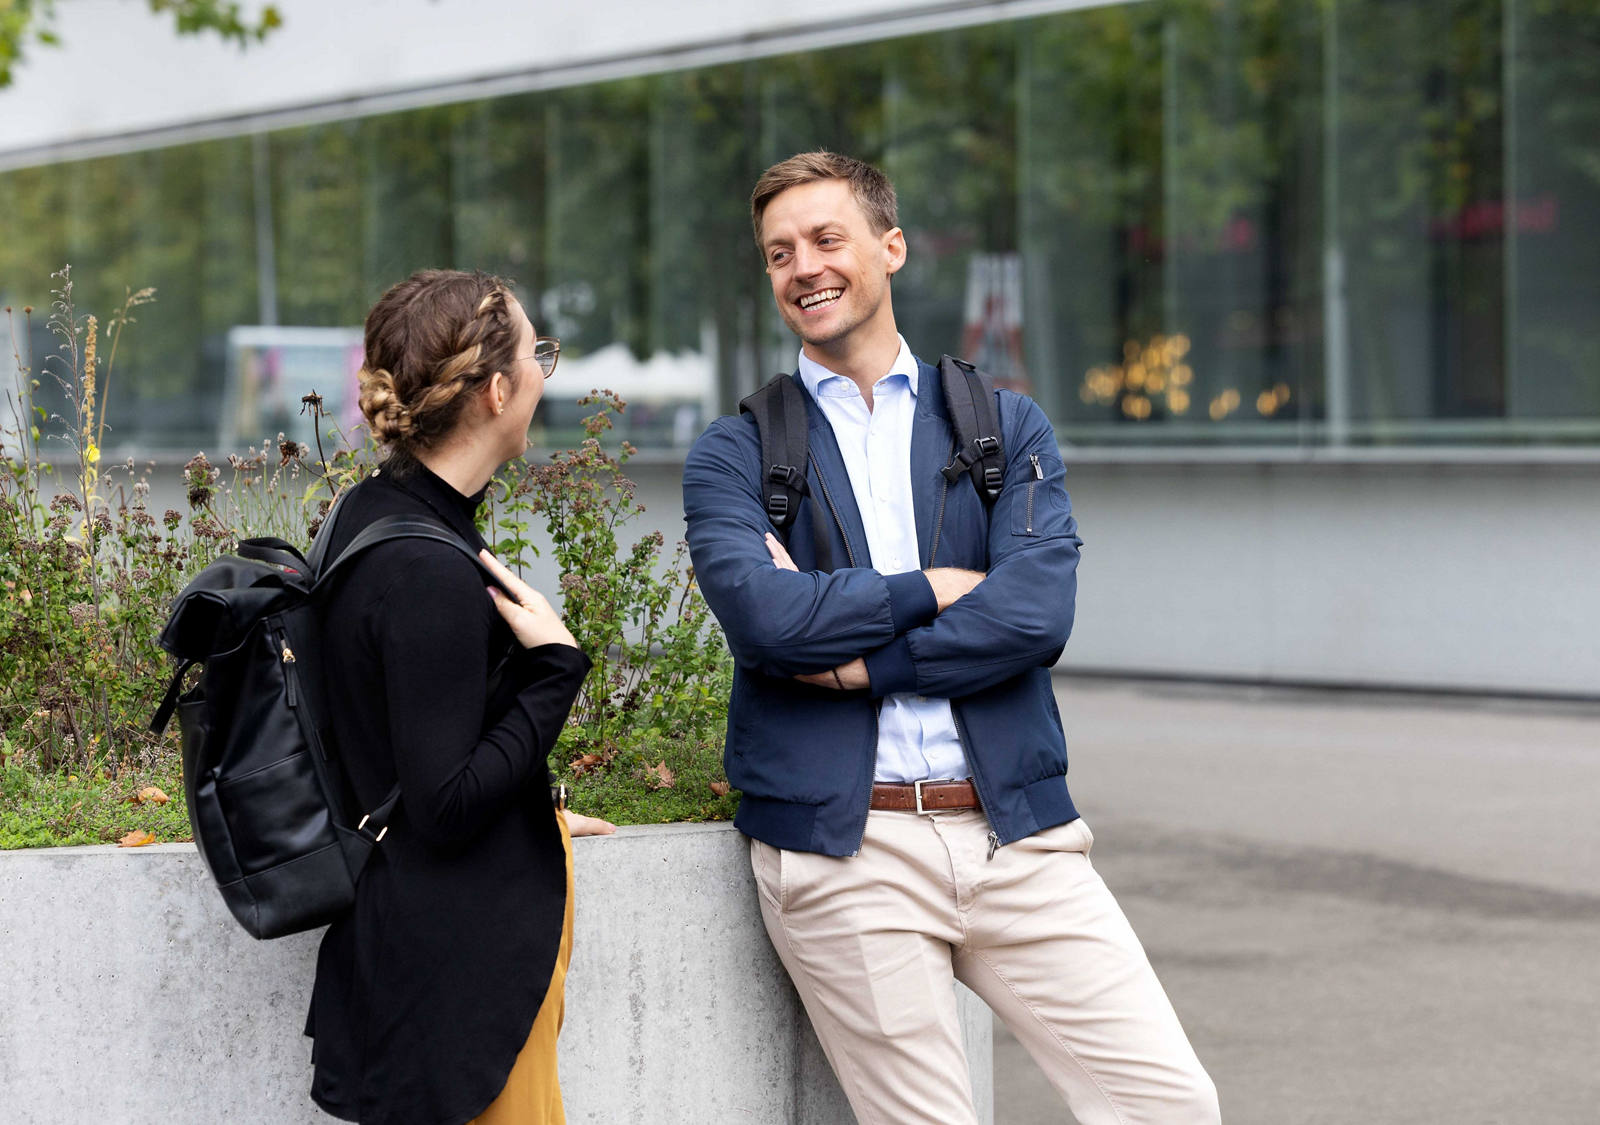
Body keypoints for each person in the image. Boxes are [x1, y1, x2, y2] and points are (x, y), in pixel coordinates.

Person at [682, 152, 1220, 1124]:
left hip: (1020, 837)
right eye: (778, 253)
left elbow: (1032, 616)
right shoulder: (738, 451)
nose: (802, 266)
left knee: (1169, 1105)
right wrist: (928, 589)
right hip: (848, 855)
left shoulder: (1001, 427)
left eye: (825, 238)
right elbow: (764, 621)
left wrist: (861, 661)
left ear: (890, 248)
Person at [304, 269, 616, 1125]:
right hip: (463, 986)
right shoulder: (426, 569)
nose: (547, 375)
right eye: (538, 353)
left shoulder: (372, 512)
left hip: (421, 965)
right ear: (498, 389)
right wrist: (555, 669)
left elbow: (408, 734)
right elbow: (441, 803)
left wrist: (535, 806)